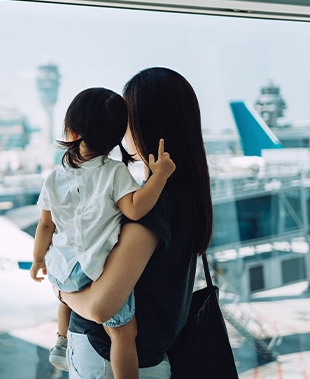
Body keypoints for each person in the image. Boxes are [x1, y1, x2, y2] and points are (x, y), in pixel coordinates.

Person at [58, 68, 214, 378]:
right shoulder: (185, 196)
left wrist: (63, 291)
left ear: (145, 123)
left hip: (107, 358)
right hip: (151, 358)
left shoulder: (152, 208)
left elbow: (103, 308)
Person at [31, 87, 176, 379]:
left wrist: (38, 260)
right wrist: (159, 176)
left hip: (62, 267)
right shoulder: (114, 173)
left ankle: (62, 341)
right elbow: (135, 210)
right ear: (117, 137)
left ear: (72, 132)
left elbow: (46, 225)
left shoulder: (54, 177)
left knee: (65, 294)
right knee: (124, 334)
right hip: (93, 268)